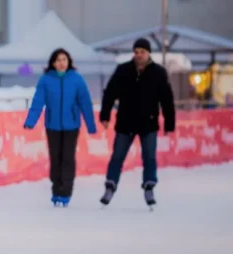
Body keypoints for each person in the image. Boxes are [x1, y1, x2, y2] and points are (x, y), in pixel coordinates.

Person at [99, 38, 175, 208]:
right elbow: (110, 93)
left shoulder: (158, 73)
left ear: (148, 53)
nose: (139, 55)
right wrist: (105, 115)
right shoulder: (123, 70)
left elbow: (167, 99)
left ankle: (149, 186)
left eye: (142, 52)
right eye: (136, 52)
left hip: (148, 123)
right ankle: (110, 185)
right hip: (126, 121)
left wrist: (169, 122)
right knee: (117, 156)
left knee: (149, 157)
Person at [23, 48, 97, 207]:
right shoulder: (46, 80)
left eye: (64, 59)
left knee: (68, 159)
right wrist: (31, 121)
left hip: (71, 125)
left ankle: (66, 191)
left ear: (69, 61)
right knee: (55, 158)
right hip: (52, 125)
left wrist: (91, 125)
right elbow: (38, 101)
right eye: (58, 60)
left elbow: (85, 103)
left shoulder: (77, 79)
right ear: (53, 63)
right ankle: (56, 189)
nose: (61, 63)